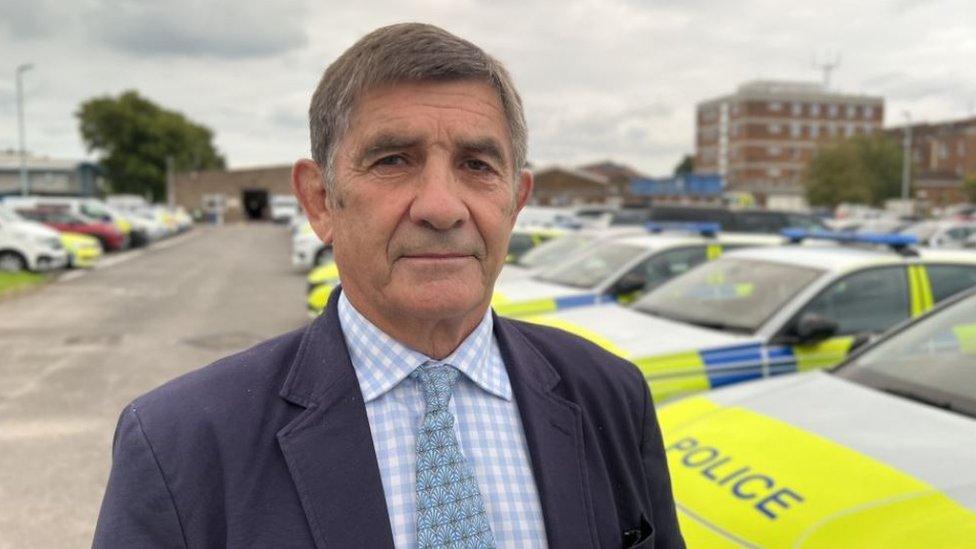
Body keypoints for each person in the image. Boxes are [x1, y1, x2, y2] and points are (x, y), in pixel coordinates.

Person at [93, 23, 683, 548]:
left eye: (477, 165)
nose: (441, 207)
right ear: (320, 200)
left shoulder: (611, 396)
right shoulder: (181, 442)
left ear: (515, 201)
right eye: (394, 160)